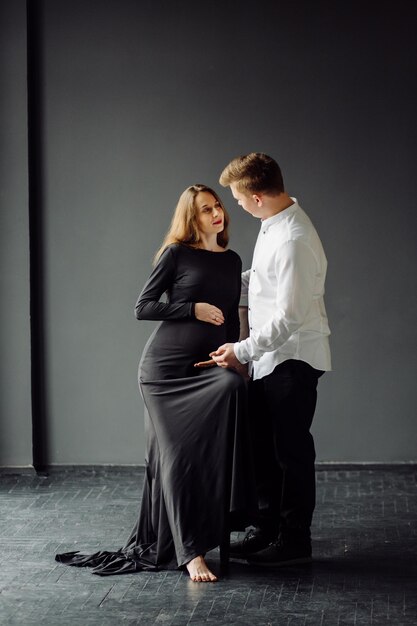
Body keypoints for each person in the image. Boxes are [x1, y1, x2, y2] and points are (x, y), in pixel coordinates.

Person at [55, 184, 255, 582]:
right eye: (205, 210)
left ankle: (227, 522)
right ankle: (190, 552)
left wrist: (238, 354)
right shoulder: (175, 254)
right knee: (177, 459)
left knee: (234, 397)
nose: (216, 214)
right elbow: (143, 306)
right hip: (164, 372)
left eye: (218, 206)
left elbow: (234, 318)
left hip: (205, 368)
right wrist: (191, 308)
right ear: (190, 218)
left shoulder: (232, 260)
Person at [210, 153, 331, 566]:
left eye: (239, 199)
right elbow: (261, 279)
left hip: (292, 360)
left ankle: (295, 541)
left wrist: (241, 350)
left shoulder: (294, 237)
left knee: (291, 452)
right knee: (264, 446)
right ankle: (267, 529)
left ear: (257, 196)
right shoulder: (272, 224)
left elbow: (290, 315)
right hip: (270, 358)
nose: (237, 206)